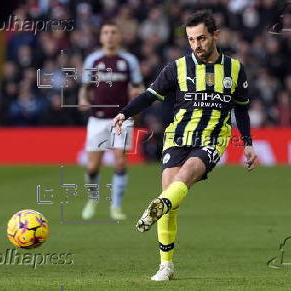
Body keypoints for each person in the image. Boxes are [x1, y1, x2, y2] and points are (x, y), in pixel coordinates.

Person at [113, 12, 258, 281]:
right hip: (178, 136)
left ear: (215, 35)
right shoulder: (177, 68)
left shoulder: (235, 69)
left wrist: (247, 144)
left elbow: (242, 110)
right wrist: (125, 112)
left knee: (187, 175)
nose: (196, 45)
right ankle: (165, 265)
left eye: (201, 38)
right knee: (172, 198)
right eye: (191, 39)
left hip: (213, 137)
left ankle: (158, 205)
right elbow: (149, 95)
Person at [79, 21, 144, 221]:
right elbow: (85, 86)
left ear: (119, 37)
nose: (109, 36)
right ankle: (92, 200)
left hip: (121, 118)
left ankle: (116, 207)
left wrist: (137, 93)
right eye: (105, 32)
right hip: (97, 118)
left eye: (113, 32)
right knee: (92, 167)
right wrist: (82, 98)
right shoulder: (93, 59)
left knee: (120, 162)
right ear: (101, 37)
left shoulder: (129, 60)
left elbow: (138, 86)